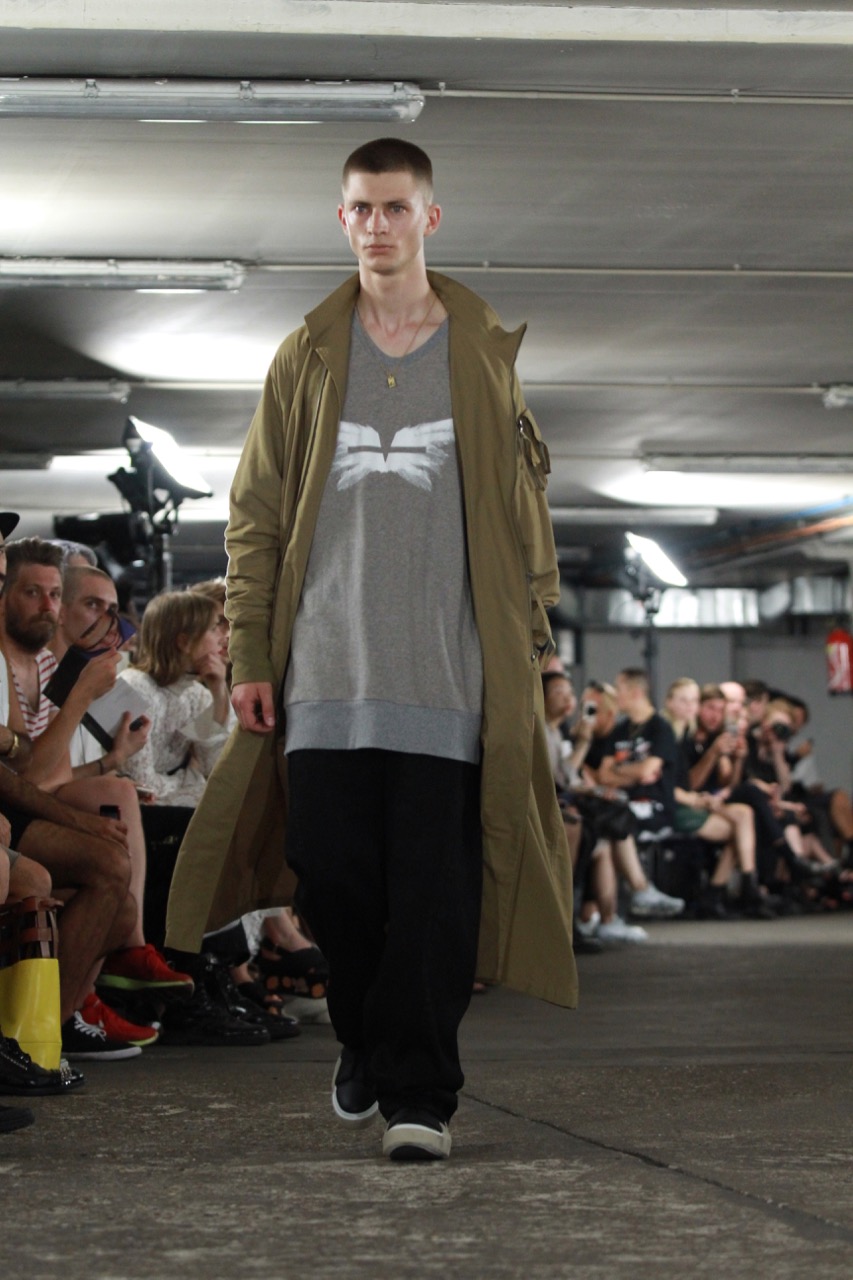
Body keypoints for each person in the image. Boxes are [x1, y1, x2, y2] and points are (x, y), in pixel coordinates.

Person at [165, 136, 577, 1162]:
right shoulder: (306, 357)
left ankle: (420, 1096)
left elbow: (524, 519)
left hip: (450, 677)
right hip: (324, 677)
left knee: (434, 902)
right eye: (362, 207)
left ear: (429, 218)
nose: (379, 224)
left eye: (397, 207)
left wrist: (536, 653)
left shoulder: (479, 355)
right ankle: (362, 1032)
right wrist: (250, 654)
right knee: (335, 883)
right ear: (341, 219)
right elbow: (255, 518)